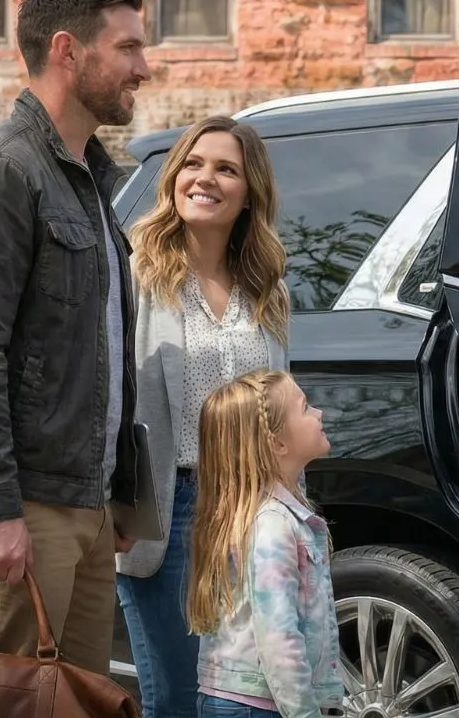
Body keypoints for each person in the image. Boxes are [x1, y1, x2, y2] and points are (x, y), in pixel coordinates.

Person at [0, 0, 152, 674]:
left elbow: (98, 353)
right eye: (129, 48)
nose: (144, 69)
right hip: (18, 499)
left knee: (75, 699)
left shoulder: (91, 183)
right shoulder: (0, 171)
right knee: (5, 697)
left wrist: (111, 493)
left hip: (79, 502)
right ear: (68, 51)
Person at [117, 116, 292, 717]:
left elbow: (282, 408)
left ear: (250, 191)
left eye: (226, 169)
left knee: (249, 697)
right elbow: (111, 395)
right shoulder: (137, 271)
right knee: (175, 696)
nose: (205, 178)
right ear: (173, 178)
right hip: (174, 505)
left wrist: (295, 510)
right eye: (194, 163)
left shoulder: (266, 285)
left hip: (255, 509)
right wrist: (114, 504)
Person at [185, 370, 342, 718]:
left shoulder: (263, 516)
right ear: (277, 444)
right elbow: (278, 638)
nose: (319, 413)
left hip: (244, 699)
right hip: (256, 707)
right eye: (305, 408)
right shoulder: (272, 525)